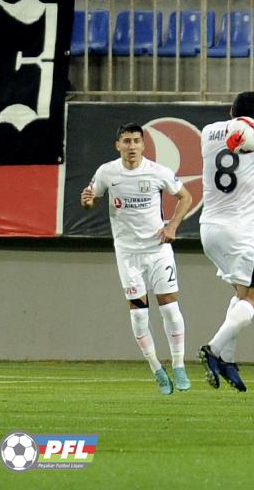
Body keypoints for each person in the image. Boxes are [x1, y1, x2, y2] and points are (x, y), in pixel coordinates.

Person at [80, 123, 193, 395]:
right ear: (117, 145)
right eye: (126, 141)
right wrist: (87, 201)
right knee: (139, 314)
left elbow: (185, 197)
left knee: (169, 307)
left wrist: (173, 226)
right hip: (128, 253)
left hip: (157, 249)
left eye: (136, 141)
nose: (131, 146)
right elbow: (91, 199)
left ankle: (178, 365)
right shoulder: (107, 172)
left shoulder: (158, 172)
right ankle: (156, 368)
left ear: (144, 145)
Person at [198, 92, 254, 392]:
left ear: (230, 111)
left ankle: (228, 360)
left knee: (241, 294)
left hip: (208, 228)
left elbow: (232, 147)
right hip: (239, 231)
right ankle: (213, 349)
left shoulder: (209, 132)